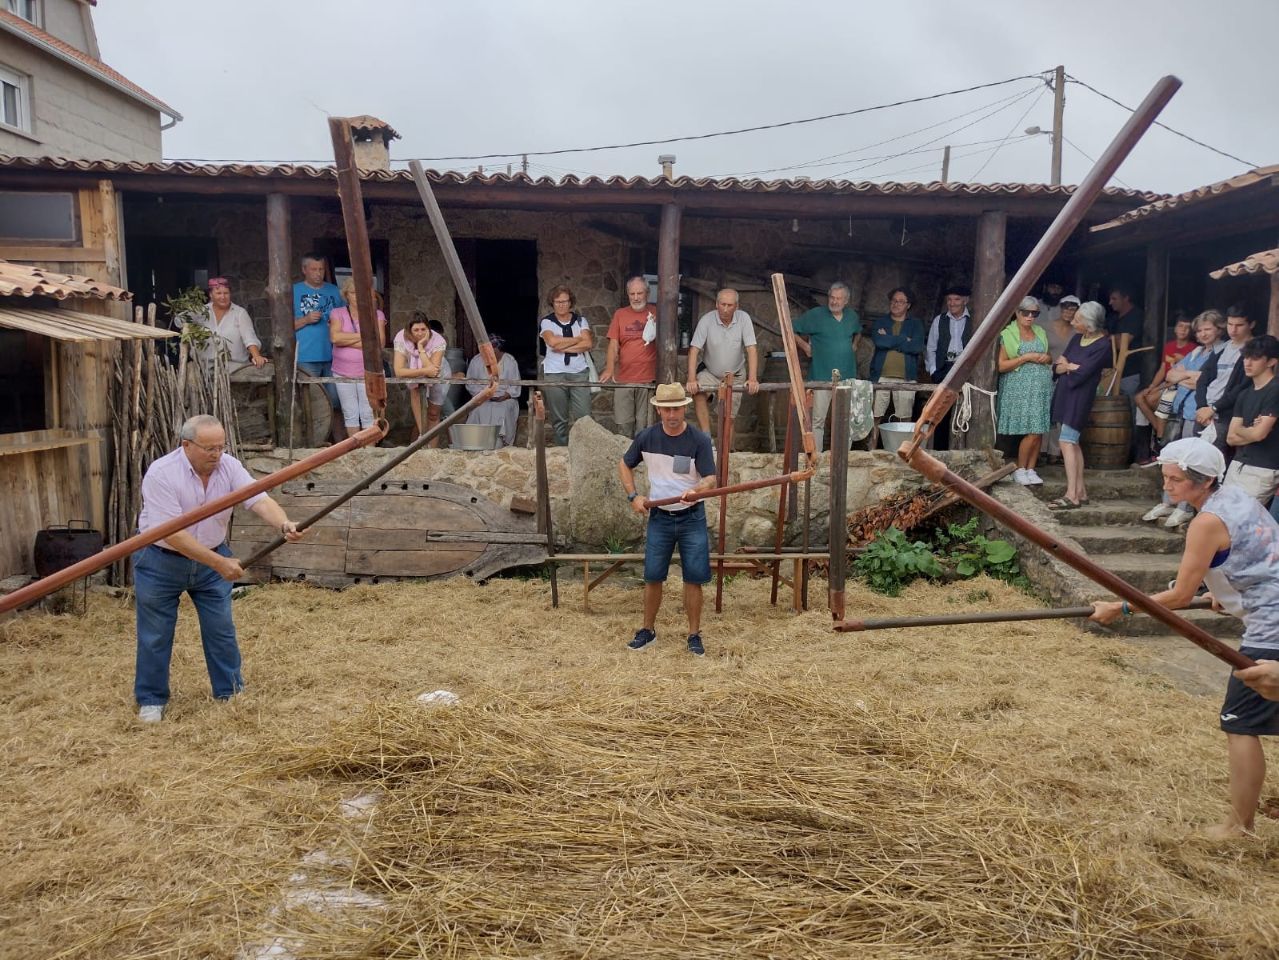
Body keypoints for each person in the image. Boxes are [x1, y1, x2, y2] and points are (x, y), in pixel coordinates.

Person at [1092, 437, 1279, 839]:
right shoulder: (1237, 499)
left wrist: (1119, 607)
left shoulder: (1207, 522)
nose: (1168, 486)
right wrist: (1225, 594)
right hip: (1268, 608)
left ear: (1204, 481)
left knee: (1240, 722)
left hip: (1272, 627)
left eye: (1176, 480)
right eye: (1166, 477)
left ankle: (1238, 827)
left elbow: (1178, 595)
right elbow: (1254, 556)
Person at [133, 415, 304, 723]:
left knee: (221, 629)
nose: (216, 454)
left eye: (220, 447)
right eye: (208, 448)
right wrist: (220, 563)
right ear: (186, 445)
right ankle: (151, 699)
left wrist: (283, 523)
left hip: (212, 557)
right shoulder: (161, 474)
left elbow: (258, 497)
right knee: (156, 633)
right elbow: (171, 533)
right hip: (161, 560)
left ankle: (229, 693)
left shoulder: (229, 466)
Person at [618, 382, 716, 657]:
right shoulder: (647, 437)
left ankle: (694, 635)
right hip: (659, 517)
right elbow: (624, 464)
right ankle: (647, 631)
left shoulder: (699, 440)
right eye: (666, 409)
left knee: (694, 577)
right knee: (653, 575)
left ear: (684, 408)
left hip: (692, 517)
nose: (672, 415)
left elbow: (711, 478)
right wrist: (633, 496)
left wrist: (697, 490)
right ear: (658, 410)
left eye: (676, 408)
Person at [1141, 310, 1226, 527]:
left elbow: (1208, 381)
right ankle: (1168, 502)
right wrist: (1190, 377)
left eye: (1208, 329)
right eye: (1200, 330)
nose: (1203, 334)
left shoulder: (1222, 352)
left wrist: (1186, 376)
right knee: (1171, 457)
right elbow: (1171, 375)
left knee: (1188, 463)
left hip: (1197, 411)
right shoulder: (1197, 351)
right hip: (1180, 408)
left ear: (1219, 329)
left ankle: (1185, 507)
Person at [1048, 301, 1111, 509]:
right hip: (1065, 393)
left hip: (1080, 397)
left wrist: (1068, 367)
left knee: (1067, 441)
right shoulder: (1077, 339)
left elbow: (1083, 373)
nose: (1073, 322)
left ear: (1089, 324)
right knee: (1072, 442)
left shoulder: (1103, 345)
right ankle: (1080, 492)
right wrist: (1067, 367)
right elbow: (1058, 366)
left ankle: (1071, 495)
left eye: (1078, 320)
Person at [794, 282, 860, 451]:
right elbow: (790, 329)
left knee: (845, 419)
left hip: (847, 376)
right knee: (818, 420)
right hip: (821, 376)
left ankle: (843, 455)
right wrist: (805, 346)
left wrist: (855, 344)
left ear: (846, 301)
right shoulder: (816, 315)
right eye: (832, 297)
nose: (834, 301)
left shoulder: (852, 316)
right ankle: (817, 457)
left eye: (839, 298)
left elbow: (858, 330)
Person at [685, 288, 759, 437]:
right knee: (698, 392)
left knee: (728, 418)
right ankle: (706, 438)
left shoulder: (744, 319)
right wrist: (691, 379)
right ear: (716, 304)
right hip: (710, 371)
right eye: (722, 304)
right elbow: (694, 350)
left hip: (735, 374)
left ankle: (725, 455)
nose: (725, 309)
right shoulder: (706, 320)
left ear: (736, 306)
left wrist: (752, 378)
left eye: (729, 305)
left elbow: (751, 349)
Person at [996, 296, 1053, 486]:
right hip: (1019, 388)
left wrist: (1047, 358)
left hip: (1040, 388)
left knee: (1039, 431)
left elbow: (1049, 356)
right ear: (1017, 312)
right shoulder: (1008, 334)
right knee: (1032, 431)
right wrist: (1026, 357)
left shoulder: (1040, 332)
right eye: (1025, 312)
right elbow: (1002, 366)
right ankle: (1020, 468)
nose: (1030, 317)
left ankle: (1030, 469)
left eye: (1034, 313)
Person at [292, 253, 346, 444]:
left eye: (321, 269)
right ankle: (313, 443)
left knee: (337, 401)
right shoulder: (293, 291)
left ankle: (339, 443)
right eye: (313, 269)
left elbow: (346, 319)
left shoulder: (334, 291)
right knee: (311, 402)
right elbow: (282, 325)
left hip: (334, 355)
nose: (318, 273)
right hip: (306, 356)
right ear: (304, 270)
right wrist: (305, 320)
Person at [1224, 335, 1279, 505]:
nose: (1247, 363)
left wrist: (1242, 429)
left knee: (1242, 517)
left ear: (1271, 362)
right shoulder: (1244, 394)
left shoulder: (1275, 390)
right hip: (1239, 462)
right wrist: (1249, 430)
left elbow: (1259, 435)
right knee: (1223, 514)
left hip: (1265, 466)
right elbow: (1230, 438)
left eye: (1255, 358)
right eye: (1246, 357)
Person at [600, 276, 657, 437]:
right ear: (628, 294)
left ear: (647, 293)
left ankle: (642, 460)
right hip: (624, 377)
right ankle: (626, 461)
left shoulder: (656, 312)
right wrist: (610, 368)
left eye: (640, 293)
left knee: (644, 426)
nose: (636, 297)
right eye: (632, 294)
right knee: (623, 425)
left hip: (648, 378)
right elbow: (613, 344)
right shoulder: (620, 314)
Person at [329, 279, 387, 437]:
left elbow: (379, 344)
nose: (358, 297)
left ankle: (369, 450)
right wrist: (365, 337)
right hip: (343, 371)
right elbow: (335, 338)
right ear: (346, 295)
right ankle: (355, 450)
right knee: (350, 412)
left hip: (368, 371)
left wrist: (347, 340)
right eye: (354, 293)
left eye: (362, 293)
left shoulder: (377, 314)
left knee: (368, 412)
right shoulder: (337, 313)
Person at [1195, 306, 1256, 453]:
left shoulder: (1254, 350)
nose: (1233, 330)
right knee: (1196, 458)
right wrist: (1202, 407)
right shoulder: (1221, 348)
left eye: (1239, 325)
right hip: (1204, 412)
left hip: (1226, 413)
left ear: (1252, 324)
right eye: (1230, 324)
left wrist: (1214, 408)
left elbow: (1242, 387)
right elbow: (1202, 380)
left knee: (1215, 459)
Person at [539, 284, 594, 445]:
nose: (561, 305)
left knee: (584, 416)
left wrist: (563, 346)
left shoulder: (580, 320)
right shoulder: (547, 322)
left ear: (570, 302)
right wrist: (577, 339)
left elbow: (588, 343)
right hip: (554, 372)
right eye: (557, 302)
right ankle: (561, 450)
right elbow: (552, 342)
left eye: (565, 301)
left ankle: (582, 449)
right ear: (552, 303)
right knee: (559, 418)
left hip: (579, 372)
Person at [1134, 312, 1195, 450]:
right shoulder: (1169, 346)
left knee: (1152, 400)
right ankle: (1161, 429)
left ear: (1191, 330)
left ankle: (1161, 436)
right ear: (1175, 328)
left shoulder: (1193, 349)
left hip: (1179, 385)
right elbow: (1163, 369)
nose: (1183, 330)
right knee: (1139, 398)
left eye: (1187, 327)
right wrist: (1152, 386)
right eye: (1180, 326)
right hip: (1166, 383)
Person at [869, 287, 926, 430]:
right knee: (875, 416)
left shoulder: (916, 324)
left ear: (908, 305)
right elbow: (879, 342)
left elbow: (917, 347)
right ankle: (872, 450)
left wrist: (890, 339)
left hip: (906, 377)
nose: (896, 304)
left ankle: (900, 450)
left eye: (901, 301)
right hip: (881, 376)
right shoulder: (880, 322)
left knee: (904, 418)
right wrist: (904, 340)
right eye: (894, 300)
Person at [924, 285, 973, 449]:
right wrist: (933, 371)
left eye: (957, 299)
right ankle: (939, 449)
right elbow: (931, 347)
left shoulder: (973, 319)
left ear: (966, 300)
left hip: (965, 369)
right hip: (944, 368)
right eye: (949, 300)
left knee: (965, 408)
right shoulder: (940, 320)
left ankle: (962, 449)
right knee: (940, 410)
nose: (952, 303)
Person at [183, 277, 267, 369]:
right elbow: (179, 321)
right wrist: (188, 309)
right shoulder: (200, 311)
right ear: (211, 295)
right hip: (203, 368)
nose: (223, 297)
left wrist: (256, 356)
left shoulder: (239, 313)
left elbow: (249, 337)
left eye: (226, 293)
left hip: (235, 368)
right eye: (218, 293)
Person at [392, 312, 448, 442]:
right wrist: (424, 370)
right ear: (409, 331)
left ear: (428, 329)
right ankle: (423, 437)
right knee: (416, 393)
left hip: (439, 373)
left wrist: (421, 348)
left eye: (423, 329)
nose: (420, 333)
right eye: (416, 330)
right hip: (413, 373)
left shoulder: (438, 340)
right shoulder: (401, 338)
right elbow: (399, 371)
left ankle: (432, 451)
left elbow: (433, 372)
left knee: (433, 414)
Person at [464, 334, 521, 446]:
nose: (491, 354)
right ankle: (477, 442)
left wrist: (505, 395)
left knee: (503, 409)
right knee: (478, 409)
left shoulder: (510, 361)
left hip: (505, 399)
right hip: (482, 397)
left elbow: (515, 385)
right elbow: (470, 384)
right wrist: (484, 395)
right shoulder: (476, 361)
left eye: (493, 351)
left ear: (498, 349)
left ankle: (499, 443)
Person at [1043, 294, 1081, 461]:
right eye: (1066, 307)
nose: (1068, 311)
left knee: (1062, 414)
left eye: (1073, 309)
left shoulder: (1078, 332)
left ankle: (1056, 452)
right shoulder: (1046, 327)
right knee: (1046, 411)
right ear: (1060, 308)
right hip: (1048, 372)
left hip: (1068, 374)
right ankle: (1042, 450)